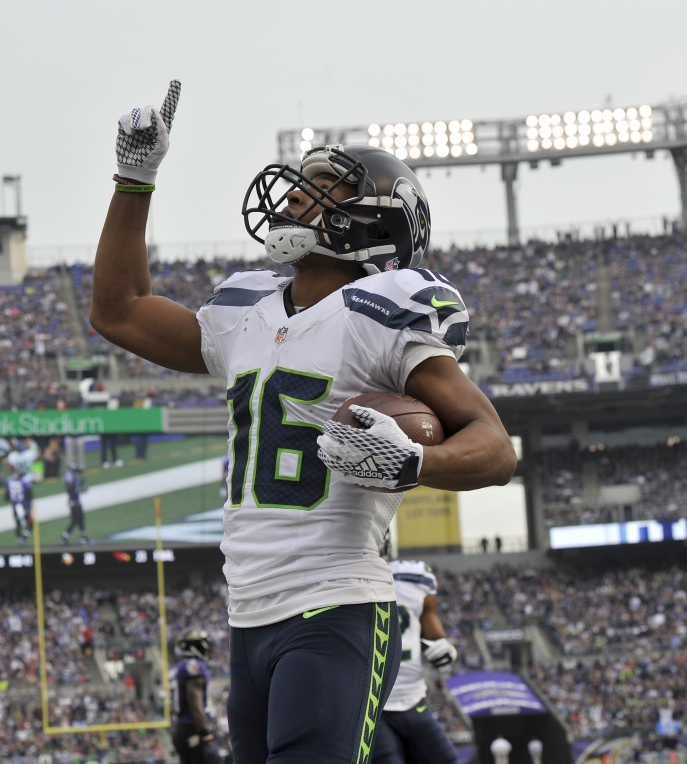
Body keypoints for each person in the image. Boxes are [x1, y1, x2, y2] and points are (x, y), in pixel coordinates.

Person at [90, 80, 516, 763]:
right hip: (249, 612)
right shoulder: (246, 312)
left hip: (337, 602)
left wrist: (416, 463)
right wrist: (134, 180)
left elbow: (496, 449)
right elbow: (118, 311)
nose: (294, 197)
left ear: (373, 223)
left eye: (323, 188)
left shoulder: (383, 312)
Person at [372, 560, 459, 764]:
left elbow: (433, 632)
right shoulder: (346, 568)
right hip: (372, 704)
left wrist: (444, 648)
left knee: (446, 759)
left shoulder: (416, 575)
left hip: (413, 698)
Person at [169, 628, 218, 764]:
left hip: (181, 728)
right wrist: (206, 734)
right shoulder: (194, 666)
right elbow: (196, 706)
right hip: (192, 728)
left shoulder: (178, 667)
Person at [60, 462, 88, 545]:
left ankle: (83, 537)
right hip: (73, 501)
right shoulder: (70, 476)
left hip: (75, 500)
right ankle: (64, 538)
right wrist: (80, 489)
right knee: (75, 520)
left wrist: (80, 486)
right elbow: (70, 489)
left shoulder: (71, 475)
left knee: (80, 518)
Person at [7, 464, 33, 544]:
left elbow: (6, 496)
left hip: (15, 505)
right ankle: (23, 538)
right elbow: (30, 495)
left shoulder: (9, 481)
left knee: (18, 524)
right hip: (23, 505)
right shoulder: (25, 483)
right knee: (30, 523)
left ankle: (20, 539)